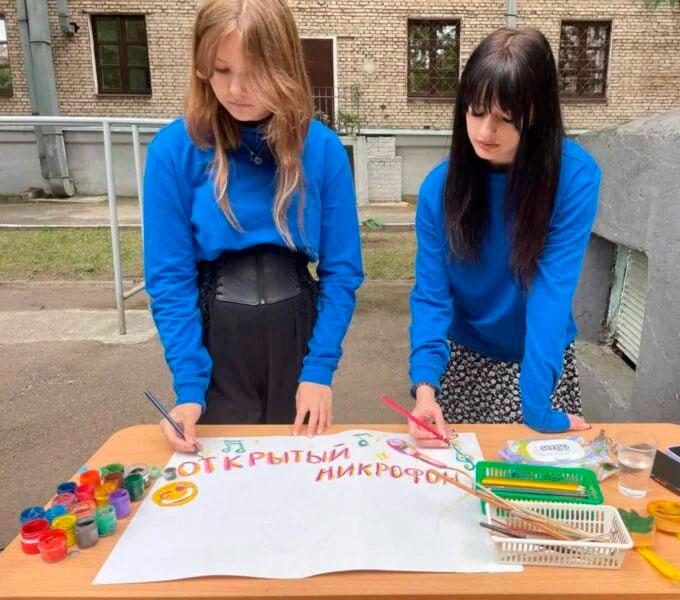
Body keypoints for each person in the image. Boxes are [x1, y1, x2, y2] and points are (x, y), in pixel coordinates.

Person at [143, 0, 363, 452]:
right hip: (218, 342)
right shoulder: (174, 150)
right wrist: (189, 387)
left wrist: (319, 370)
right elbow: (169, 279)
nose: (236, 89)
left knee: (298, 466)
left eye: (254, 71)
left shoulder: (322, 149)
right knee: (223, 473)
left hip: (298, 339)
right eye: (220, 70)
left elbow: (342, 272)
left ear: (283, 66)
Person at [408, 27, 601, 446]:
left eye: (505, 118)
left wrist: (536, 405)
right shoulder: (439, 189)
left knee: (539, 478)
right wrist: (424, 388)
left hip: (540, 359)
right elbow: (431, 296)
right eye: (476, 112)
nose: (485, 131)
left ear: (536, 113)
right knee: (463, 478)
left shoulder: (573, 177)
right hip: (463, 359)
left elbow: (552, 291)